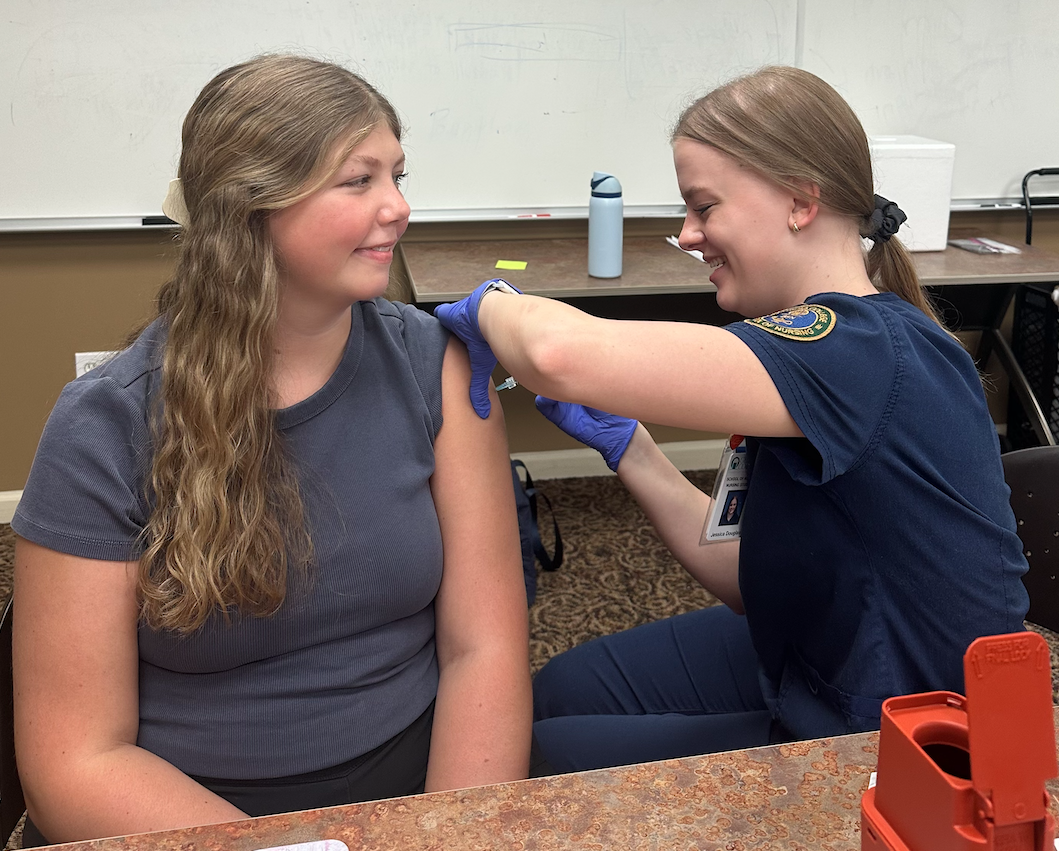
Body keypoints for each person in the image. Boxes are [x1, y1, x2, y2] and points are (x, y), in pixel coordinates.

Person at [434, 66, 1029, 773]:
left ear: (801, 201)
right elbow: (749, 579)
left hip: (906, 744)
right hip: (821, 650)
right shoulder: (822, 348)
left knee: (547, 753)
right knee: (558, 690)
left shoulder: (857, 350)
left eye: (703, 206)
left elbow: (558, 352)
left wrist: (490, 301)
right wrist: (633, 450)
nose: (687, 235)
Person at [11, 54, 531, 845]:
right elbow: (75, 762)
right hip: (186, 814)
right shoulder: (105, 425)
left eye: (397, 173)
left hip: (418, 781)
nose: (399, 206)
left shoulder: (436, 364)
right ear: (251, 207)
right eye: (358, 181)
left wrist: (449, 829)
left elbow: (483, 645)